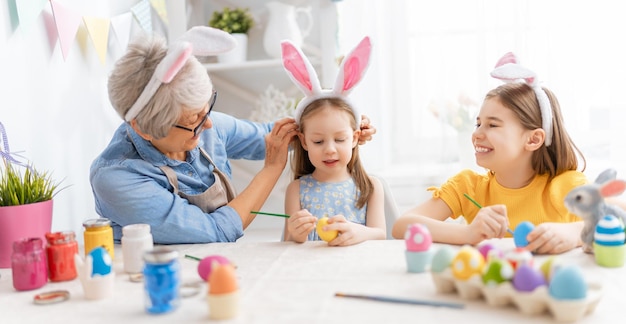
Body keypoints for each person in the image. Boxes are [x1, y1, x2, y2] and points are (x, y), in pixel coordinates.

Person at [89, 27, 376, 244]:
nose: (210, 126)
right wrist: (272, 169)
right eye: (194, 121)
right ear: (144, 128)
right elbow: (214, 231)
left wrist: (333, 129)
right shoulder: (117, 178)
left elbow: (273, 136)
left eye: (207, 109)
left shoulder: (206, 126)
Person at [392, 52, 590, 254]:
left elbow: (616, 216)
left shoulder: (566, 186)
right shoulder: (467, 188)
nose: (477, 133)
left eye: (492, 125)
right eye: (478, 123)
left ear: (533, 139)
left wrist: (575, 233)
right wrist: (467, 233)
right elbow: (402, 226)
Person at [281, 37, 386, 246]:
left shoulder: (371, 186)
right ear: (303, 142)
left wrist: (359, 232)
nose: (330, 150)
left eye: (340, 139)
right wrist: (295, 233)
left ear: (355, 138)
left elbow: (380, 234)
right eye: (318, 141)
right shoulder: (296, 189)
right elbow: (288, 243)